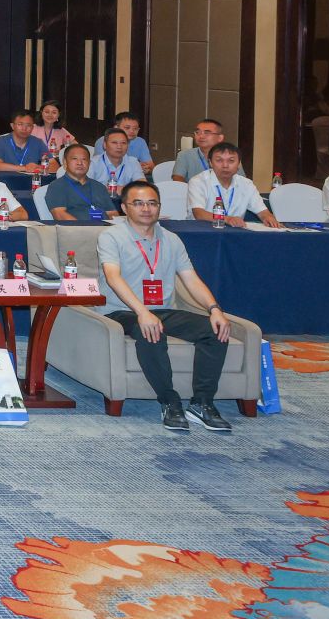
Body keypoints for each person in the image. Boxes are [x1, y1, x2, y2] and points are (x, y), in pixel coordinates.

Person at [97, 181, 237, 432]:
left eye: (152, 203)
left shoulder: (172, 239)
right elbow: (113, 277)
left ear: (159, 207)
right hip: (121, 311)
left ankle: (202, 402)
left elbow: (191, 279)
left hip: (162, 310)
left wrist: (215, 309)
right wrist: (142, 312)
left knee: (214, 329)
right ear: (124, 208)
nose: (146, 209)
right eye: (138, 203)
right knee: (150, 330)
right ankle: (169, 401)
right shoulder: (111, 236)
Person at [189, 143, 280, 228]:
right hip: (201, 230)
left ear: (239, 164)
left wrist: (268, 217)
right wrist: (227, 219)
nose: (225, 165)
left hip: (235, 232)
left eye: (231, 161)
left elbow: (263, 211)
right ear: (210, 163)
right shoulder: (198, 181)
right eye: (219, 160)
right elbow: (199, 214)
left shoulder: (246, 184)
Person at [43, 142, 116, 222]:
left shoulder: (99, 187)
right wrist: (84, 228)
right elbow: (60, 214)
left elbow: (112, 213)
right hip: (76, 228)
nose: (80, 163)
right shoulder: (57, 186)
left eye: (84, 159)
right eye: (75, 159)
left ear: (89, 163)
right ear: (65, 162)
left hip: (105, 228)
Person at [89, 128, 143, 204]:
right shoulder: (93, 163)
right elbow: (85, 186)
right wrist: (105, 189)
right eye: (114, 143)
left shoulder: (133, 162)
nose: (119, 146)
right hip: (99, 203)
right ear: (104, 145)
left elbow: (142, 184)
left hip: (125, 203)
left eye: (123, 143)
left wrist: (125, 189)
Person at [170, 118, 225, 182]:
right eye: (197, 132)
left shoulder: (230, 157)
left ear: (220, 138)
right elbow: (177, 178)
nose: (201, 136)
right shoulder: (184, 155)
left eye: (207, 133)